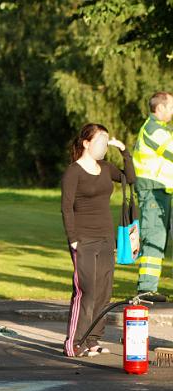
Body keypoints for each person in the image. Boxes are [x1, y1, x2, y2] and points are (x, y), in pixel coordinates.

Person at [61, 123, 136, 357]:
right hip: (83, 239)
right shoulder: (74, 171)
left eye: (106, 143)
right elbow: (66, 208)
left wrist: (124, 152)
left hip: (106, 238)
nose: (104, 147)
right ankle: (74, 343)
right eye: (100, 142)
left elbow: (130, 179)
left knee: (103, 292)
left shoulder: (105, 167)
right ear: (86, 143)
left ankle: (93, 339)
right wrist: (73, 239)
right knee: (87, 291)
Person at [133, 92, 173, 301]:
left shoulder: (160, 130)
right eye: (171, 106)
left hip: (160, 191)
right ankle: (146, 290)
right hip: (152, 192)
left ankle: (148, 289)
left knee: (159, 238)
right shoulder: (153, 130)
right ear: (160, 109)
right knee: (154, 238)